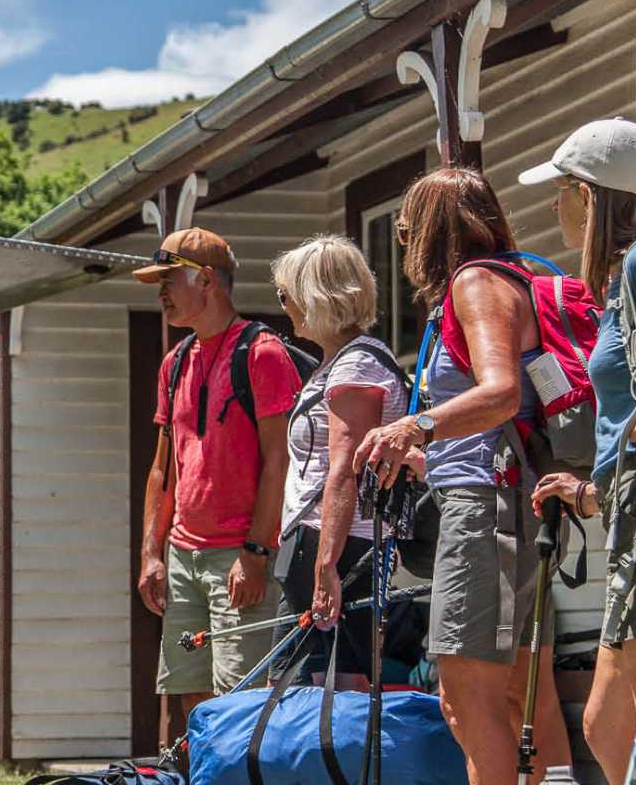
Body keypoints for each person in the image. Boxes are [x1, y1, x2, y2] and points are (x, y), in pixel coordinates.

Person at [352, 168, 572, 784]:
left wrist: (413, 428)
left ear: (429, 232)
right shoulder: (517, 278)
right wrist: (432, 457)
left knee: (466, 699)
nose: (402, 244)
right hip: (519, 501)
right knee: (527, 697)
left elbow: (500, 393)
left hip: (484, 511)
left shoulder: (475, 284)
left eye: (404, 231)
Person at [521, 118, 636, 784]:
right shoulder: (626, 279)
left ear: (593, 196)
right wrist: (590, 489)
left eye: (564, 188)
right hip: (634, 510)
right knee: (608, 724)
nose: (555, 204)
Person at [134, 227, 301, 739]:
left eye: (168, 279)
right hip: (182, 556)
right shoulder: (175, 362)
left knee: (241, 699)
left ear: (206, 280)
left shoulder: (263, 353)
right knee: (193, 695)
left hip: (241, 557)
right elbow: (164, 469)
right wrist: (151, 553)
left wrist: (255, 551)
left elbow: (282, 462)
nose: (160, 291)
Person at [267, 235, 412, 690]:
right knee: (297, 683)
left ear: (315, 296)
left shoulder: (357, 368)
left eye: (286, 292)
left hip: (342, 546)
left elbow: (344, 469)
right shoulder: (338, 363)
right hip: (318, 541)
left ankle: (326, 764)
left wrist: (327, 563)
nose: (282, 303)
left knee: (318, 686)